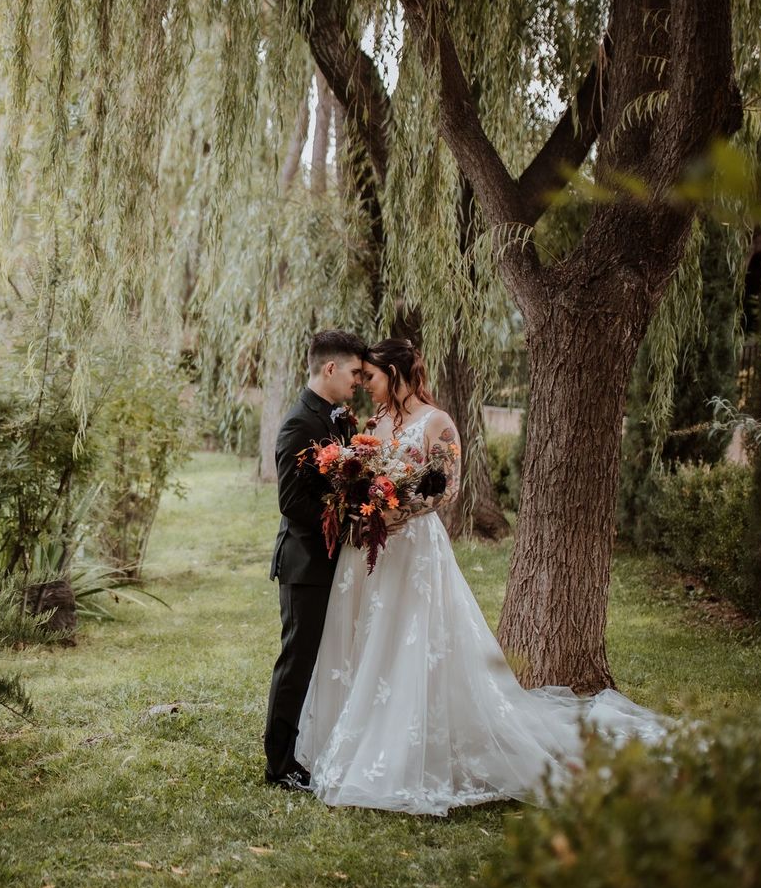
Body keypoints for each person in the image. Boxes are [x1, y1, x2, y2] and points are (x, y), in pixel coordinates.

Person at [294, 337, 667, 813]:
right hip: (372, 549)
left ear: (397, 373)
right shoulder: (374, 423)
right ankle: (361, 732)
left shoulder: (438, 423)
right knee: (368, 638)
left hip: (412, 547)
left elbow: (445, 489)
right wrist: (366, 506)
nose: (366, 385)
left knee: (410, 637)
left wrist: (398, 512)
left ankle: (412, 745)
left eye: (372, 376)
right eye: (362, 377)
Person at [265, 328, 367, 790]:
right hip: (305, 565)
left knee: (328, 658)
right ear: (329, 368)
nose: (358, 381)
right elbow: (291, 502)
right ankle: (279, 763)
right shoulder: (298, 424)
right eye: (353, 372)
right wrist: (345, 524)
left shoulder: (339, 419)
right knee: (297, 660)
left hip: (333, 562)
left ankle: (314, 744)